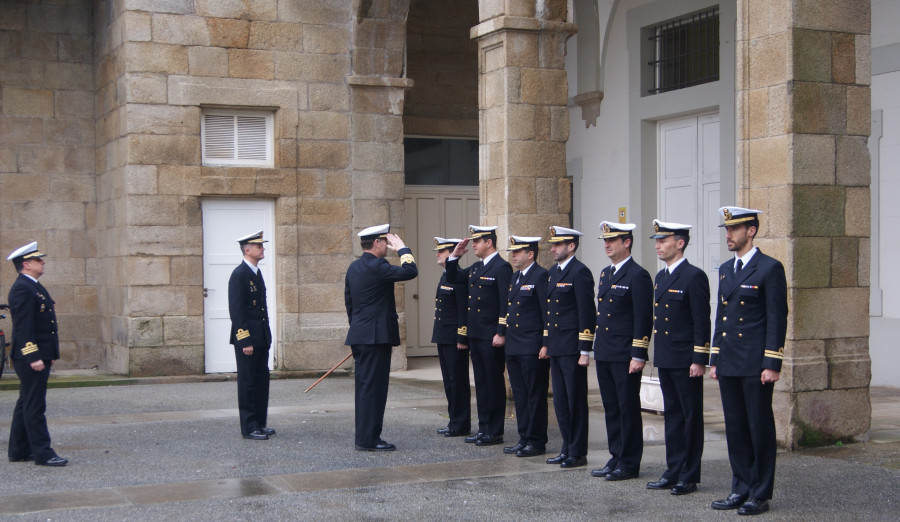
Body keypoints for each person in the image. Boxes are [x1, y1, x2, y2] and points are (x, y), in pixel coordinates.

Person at [709, 207, 787, 516]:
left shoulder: (769, 268)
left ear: (751, 231)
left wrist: (772, 362)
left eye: (734, 229)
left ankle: (760, 492)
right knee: (735, 428)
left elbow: (776, 319)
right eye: (726, 229)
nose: (728, 234)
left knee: (758, 428)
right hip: (729, 362)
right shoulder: (727, 269)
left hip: (756, 365)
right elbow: (721, 317)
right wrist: (715, 357)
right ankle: (739, 487)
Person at [646, 220, 710, 495]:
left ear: (680, 243)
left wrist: (699, 358)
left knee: (689, 416)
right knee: (671, 416)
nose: (658, 245)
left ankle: (689, 475)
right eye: (657, 241)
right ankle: (673, 470)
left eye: (663, 240)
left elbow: (701, 320)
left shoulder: (693, 276)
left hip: (686, 359)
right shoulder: (661, 277)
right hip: (667, 356)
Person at [344, 224, 418, 451]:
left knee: (365, 388)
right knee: (374, 390)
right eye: (385, 242)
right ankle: (368, 439)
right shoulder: (378, 266)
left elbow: (350, 303)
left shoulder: (354, 267)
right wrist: (403, 250)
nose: (387, 246)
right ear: (376, 243)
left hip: (361, 335)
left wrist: (358, 328)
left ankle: (366, 437)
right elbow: (410, 271)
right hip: (375, 338)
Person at [592, 221, 653, 481]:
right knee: (611, 408)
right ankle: (615, 455)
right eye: (605, 240)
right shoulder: (606, 273)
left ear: (626, 242)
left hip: (625, 354)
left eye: (612, 240)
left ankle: (629, 461)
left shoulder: (637, 275)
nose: (607, 244)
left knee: (627, 408)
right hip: (605, 351)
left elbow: (643, 317)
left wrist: (638, 354)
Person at [445, 225, 512, 447]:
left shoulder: (502, 268)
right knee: (481, 383)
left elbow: (505, 303)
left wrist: (501, 332)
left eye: (478, 240)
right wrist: (455, 255)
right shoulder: (475, 268)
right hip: (476, 334)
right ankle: (484, 427)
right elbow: (453, 276)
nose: (473, 244)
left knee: (493, 383)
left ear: (489, 242)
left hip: (491, 335)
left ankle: (494, 430)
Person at [6, 242, 68, 467]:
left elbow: (45, 324)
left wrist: (50, 353)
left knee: (25, 402)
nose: (42, 262)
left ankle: (19, 450)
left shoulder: (33, 285)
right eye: (37, 260)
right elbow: (23, 327)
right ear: (26, 264)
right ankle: (43, 453)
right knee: (35, 407)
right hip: (30, 357)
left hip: (40, 353)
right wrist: (33, 356)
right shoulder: (23, 287)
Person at [544, 226, 596, 469]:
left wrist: (585, 350)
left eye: (558, 244)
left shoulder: (580, 272)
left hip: (573, 348)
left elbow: (586, 313)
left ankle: (578, 451)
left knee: (575, 401)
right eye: (553, 244)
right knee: (561, 402)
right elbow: (550, 312)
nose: (553, 248)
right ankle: (566, 447)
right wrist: (547, 343)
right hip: (557, 345)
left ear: (571, 246)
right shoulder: (554, 272)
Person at [502, 236, 550, 457]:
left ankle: (537, 441)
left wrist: (545, 343)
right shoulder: (515, 277)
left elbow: (545, 312)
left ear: (530, 254)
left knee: (534, 395)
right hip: (514, 345)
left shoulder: (540, 276)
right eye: (513, 251)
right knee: (520, 395)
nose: (513, 255)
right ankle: (524, 437)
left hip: (532, 346)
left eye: (518, 251)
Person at [229, 230, 274, 440]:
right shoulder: (239, 275)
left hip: (261, 337)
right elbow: (237, 312)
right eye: (258, 246)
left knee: (261, 381)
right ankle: (249, 426)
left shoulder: (256, 272)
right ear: (248, 250)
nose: (262, 249)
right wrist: (244, 339)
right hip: (248, 339)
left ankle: (259, 422)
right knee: (248, 382)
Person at [431, 236, 471, 438]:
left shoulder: (459, 277)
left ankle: (461, 423)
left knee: (458, 381)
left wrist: (462, 337)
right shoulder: (445, 275)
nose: (437, 254)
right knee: (449, 381)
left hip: (454, 338)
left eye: (441, 251)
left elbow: (463, 310)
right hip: (443, 336)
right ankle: (454, 420)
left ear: (452, 254)